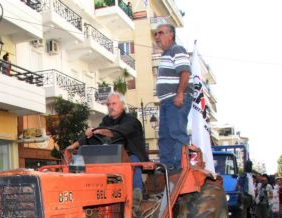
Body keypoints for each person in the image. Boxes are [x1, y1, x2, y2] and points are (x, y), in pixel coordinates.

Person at [65, 92, 148, 207]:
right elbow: (93, 137)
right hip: (112, 156)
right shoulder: (106, 121)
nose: (111, 107)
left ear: (123, 105)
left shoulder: (132, 121)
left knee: (132, 164)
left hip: (130, 154)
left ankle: (136, 196)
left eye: (114, 103)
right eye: (108, 104)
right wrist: (72, 147)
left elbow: (117, 132)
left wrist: (98, 131)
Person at [154, 24, 192, 169]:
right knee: (164, 137)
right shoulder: (166, 54)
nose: (157, 37)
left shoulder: (177, 49)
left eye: (161, 33)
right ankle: (167, 168)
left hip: (174, 100)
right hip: (166, 102)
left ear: (171, 35)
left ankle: (178, 168)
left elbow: (185, 72)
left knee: (176, 134)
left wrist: (180, 93)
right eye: (156, 34)